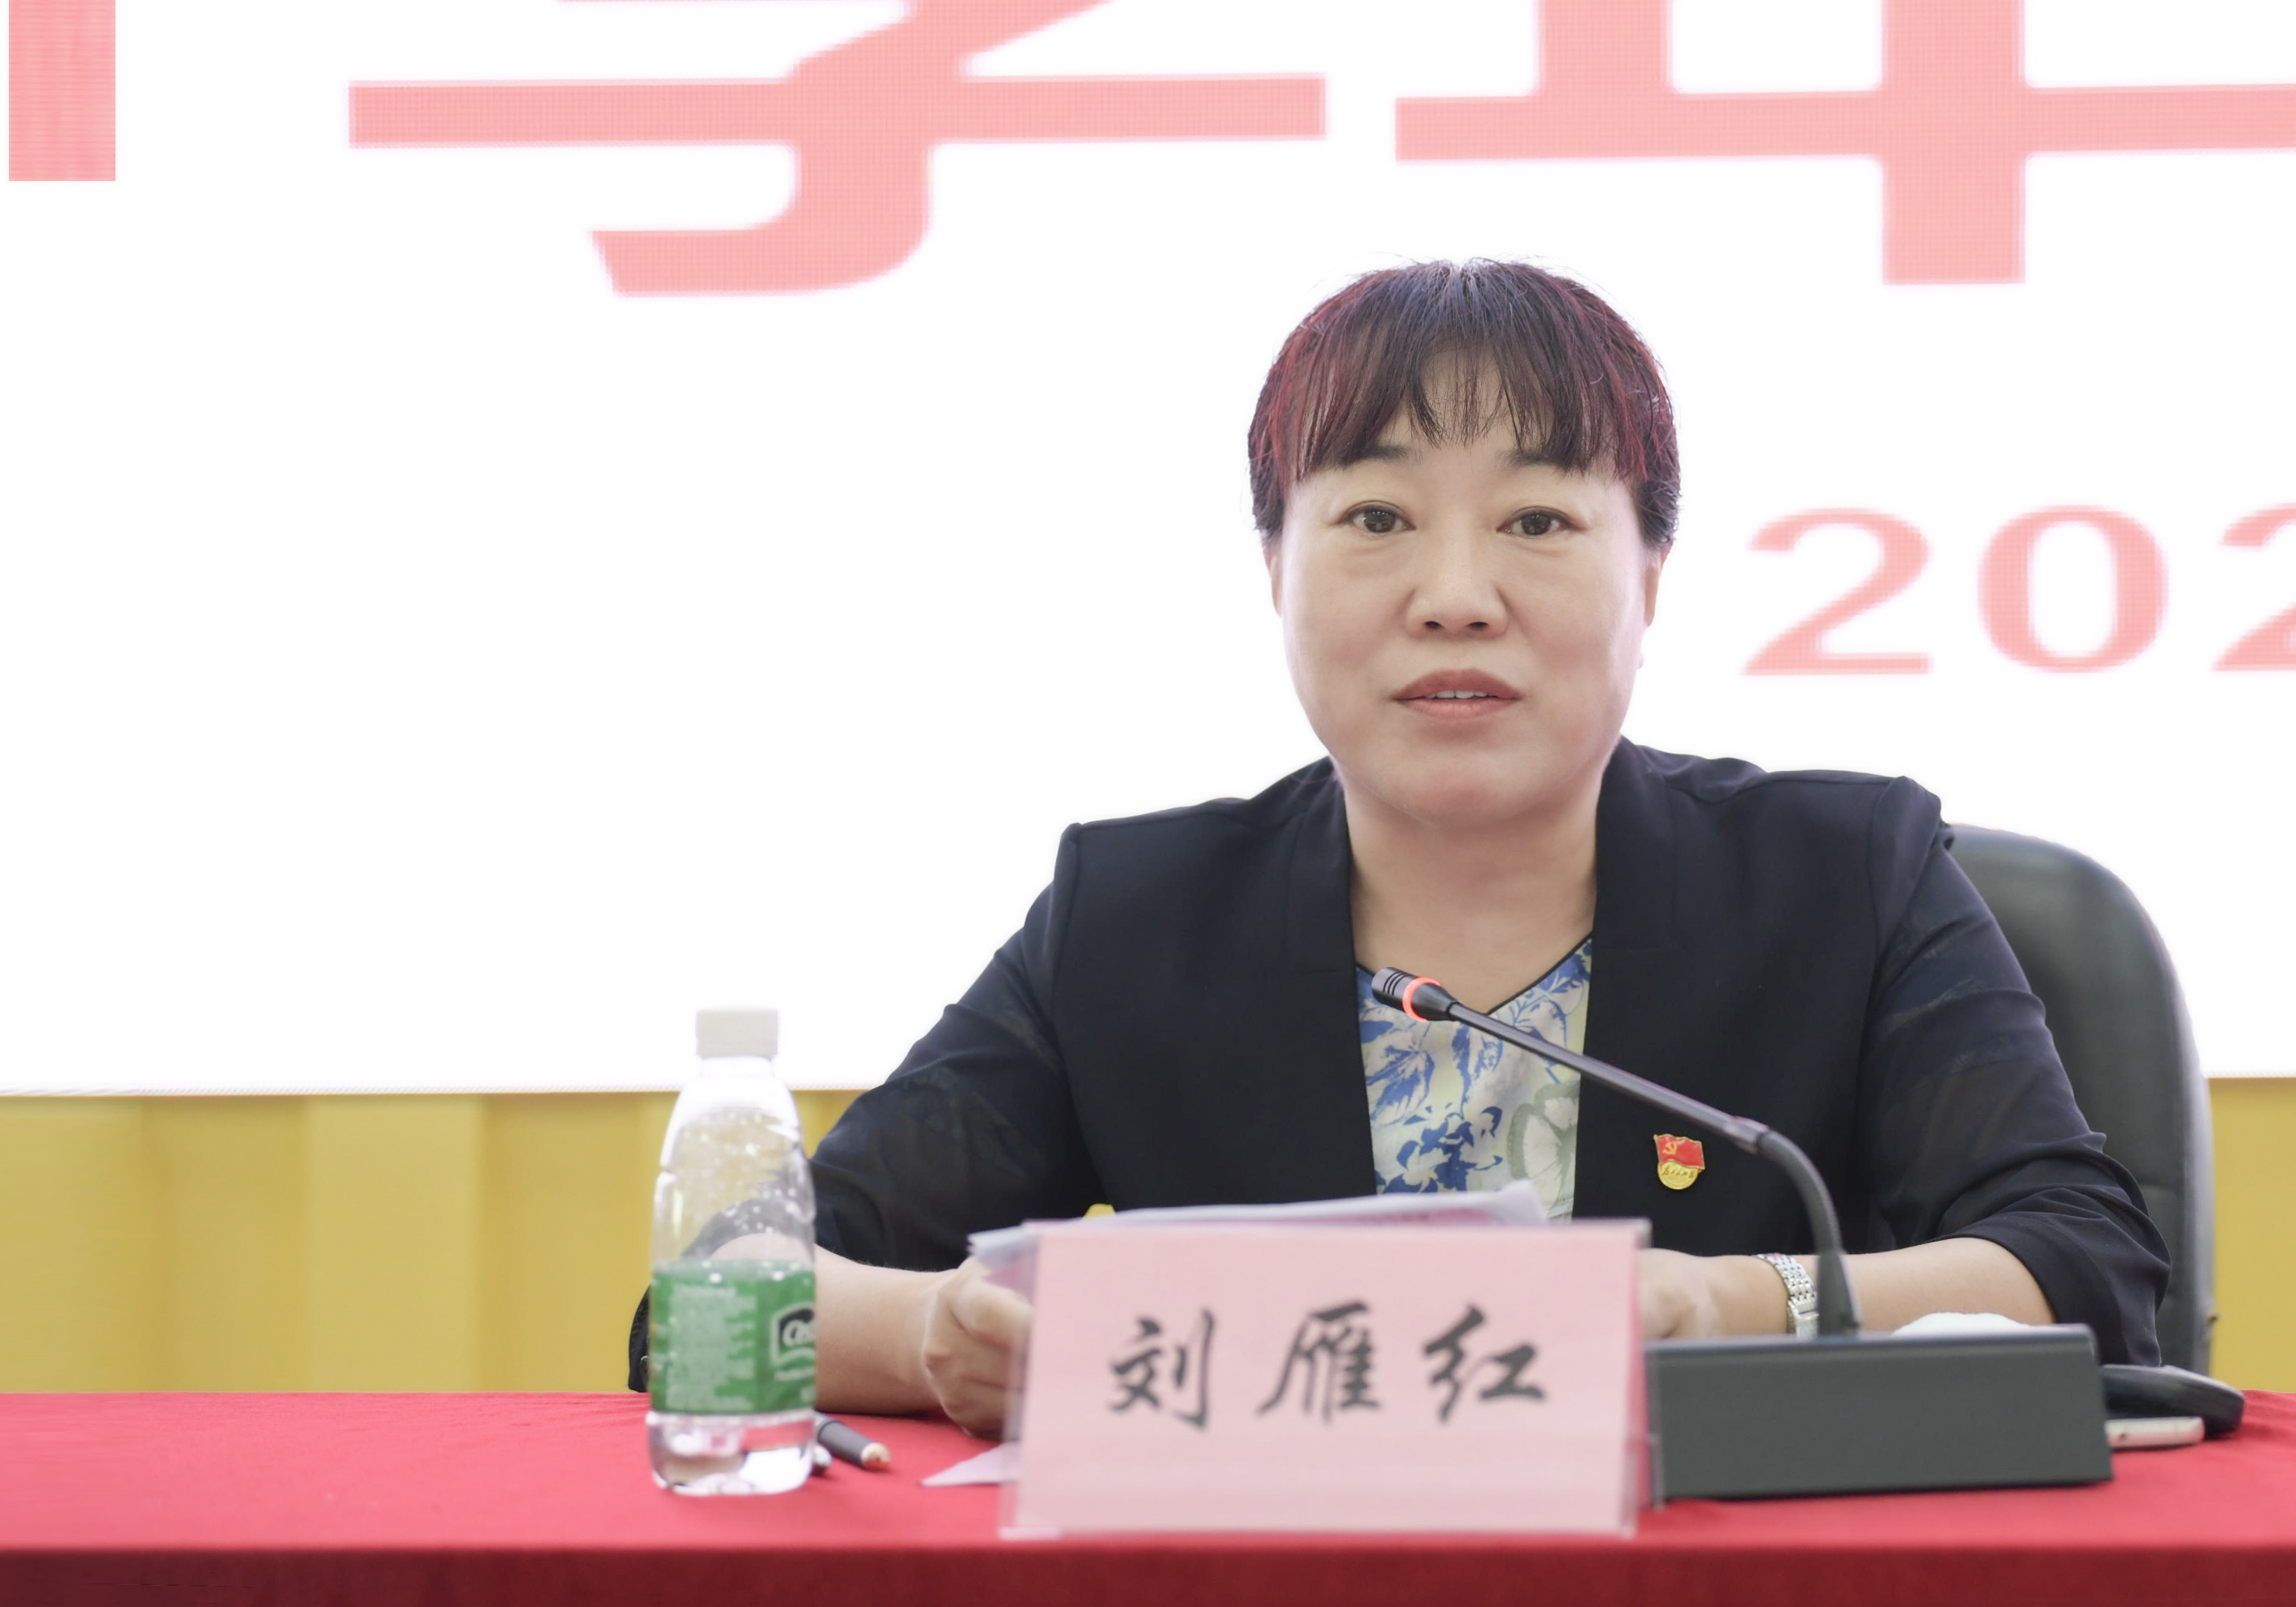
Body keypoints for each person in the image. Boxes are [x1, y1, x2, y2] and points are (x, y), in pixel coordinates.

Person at [798, 260, 2166, 1430]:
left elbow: (2085, 1273)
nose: (1454, 596)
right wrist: (932, 1336)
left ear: (1648, 579)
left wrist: (1725, 1303)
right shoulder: (1133, 918)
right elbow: (741, 1286)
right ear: (1274, 570)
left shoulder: (1841, 877)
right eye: (1376, 519)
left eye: (1536, 521)